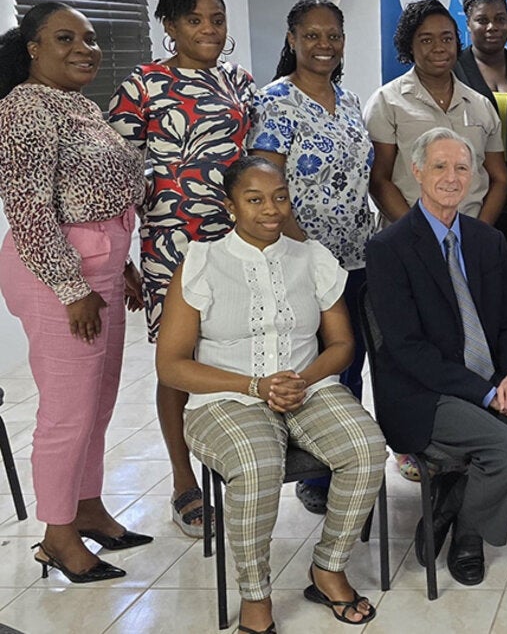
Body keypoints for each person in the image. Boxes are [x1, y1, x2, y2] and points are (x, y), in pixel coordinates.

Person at [155, 156, 386, 632]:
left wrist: (301, 379)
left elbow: (342, 344)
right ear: (230, 206)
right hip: (225, 397)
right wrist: (254, 386)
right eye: (255, 199)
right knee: (257, 464)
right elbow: (171, 365)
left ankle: (328, 568)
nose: (271, 209)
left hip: (308, 386)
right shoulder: (200, 263)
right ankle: (255, 595)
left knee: (367, 448)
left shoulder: (312, 258)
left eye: (280, 197)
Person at [365, 127, 507, 587]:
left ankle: (460, 509)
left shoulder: (487, 240)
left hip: (492, 381)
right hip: (425, 394)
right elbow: (407, 349)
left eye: (462, 167)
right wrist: (488, 395)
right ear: (416, 170)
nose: (452, 177)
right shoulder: (389, 248)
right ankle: (470, 538)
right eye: (440, 166)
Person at [0, 3, 148, 584]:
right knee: (66, 411)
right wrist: (71, 287)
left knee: (98, 401)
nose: (85, 49)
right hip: (57, 277)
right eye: (66, 38)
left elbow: (95, 193)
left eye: (89, 39)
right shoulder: (23, 108)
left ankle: (86, 507)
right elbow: (30, 211)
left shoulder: (79, 105)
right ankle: (57, 535)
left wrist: (122, 264)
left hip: (100, 269)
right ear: (33, 48)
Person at [108, 0, 255, 538]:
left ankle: (241, 465)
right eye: (194, 20)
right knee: (178, 362)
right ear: (170, 26)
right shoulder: (143, 85)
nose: (209, 29)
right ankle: (182, 481)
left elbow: (254, 165)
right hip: (172, 246)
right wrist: (121, 259)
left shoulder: (239, 81)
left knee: (233, 351)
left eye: (216, 19)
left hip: (237, 244)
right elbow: (114, 178)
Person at [249, 0, 375, 514]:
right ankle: (315, 475)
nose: (325, 45)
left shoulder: (349, 100)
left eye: (334, 35)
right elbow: (268, 188)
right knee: (315, 365)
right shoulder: (274, 101)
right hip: (303, 262)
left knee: (351, 360)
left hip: (358, 259)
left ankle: (350, 462)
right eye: (313, 35)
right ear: (292, 39)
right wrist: (312, 253)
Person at [366, 0, 507, 227]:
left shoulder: (480, 105)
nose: (439, 47)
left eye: (447, 38)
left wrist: (479, 233)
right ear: (409, 46)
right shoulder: (387, 102)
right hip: (408, 236)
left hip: (468, 236)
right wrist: (422, 234)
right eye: (426, 40)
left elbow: (499, 178)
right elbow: (379, 180)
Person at [454, 0, 507, 301]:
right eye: (483, 20)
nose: (492, 27)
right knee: (481, 289)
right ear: (468, 24)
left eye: (500, 19)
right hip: (475, 196)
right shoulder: (453, 70)